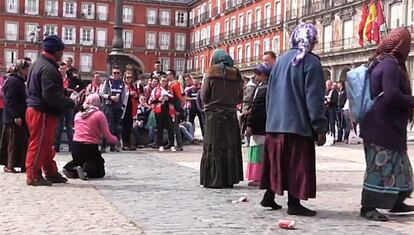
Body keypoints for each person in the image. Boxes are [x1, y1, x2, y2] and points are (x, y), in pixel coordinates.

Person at [260, 23, 327, 215]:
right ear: (312, 40)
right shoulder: (311, 62)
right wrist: (319, 127)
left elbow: (269, 94)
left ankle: (269, 196)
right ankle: (294, 204)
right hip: (297, 126)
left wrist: (270, 119)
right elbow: (314, 99)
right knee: (296, 165)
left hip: (275, 124)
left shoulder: (280, 61)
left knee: (277, 162)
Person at [359, 28, 414, 221]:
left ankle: (397, 200)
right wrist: (411, 100)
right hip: (381, 127)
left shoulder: (381, 61)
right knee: (379, 167)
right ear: (401, 45)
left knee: (400, 166)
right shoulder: (390, 64)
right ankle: (368, 207)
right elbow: (391, 95)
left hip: (387, 126)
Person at [25, 35, 75, 186]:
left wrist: (63, 92)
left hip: (36, 108)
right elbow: (50, 96)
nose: (62, 54)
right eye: (61, 50)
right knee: (39, 143)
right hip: (43, 111)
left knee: (46, 143)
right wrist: (68, 102)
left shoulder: (38, 64)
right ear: (56, 51)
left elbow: (44, 90)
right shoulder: (49, 68)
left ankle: (51, 171)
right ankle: (33, 175)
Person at [200, 49, 244, 188]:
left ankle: (214, 178)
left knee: (214, 147)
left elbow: (204, 96)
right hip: (230, 116)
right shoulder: (236, 76)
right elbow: (240, 98)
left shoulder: (211, 74)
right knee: (229, 147)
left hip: (214, 116)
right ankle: (228, 178)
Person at [63, 94, 118, 180]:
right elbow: (107, 135)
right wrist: (115, 140)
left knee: (78, 161)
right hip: (90, 147)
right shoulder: (99, 114)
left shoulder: (78, 114)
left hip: (76, 147)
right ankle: (86, 172)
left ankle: (71, 168)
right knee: (99, 169)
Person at [0, 59, 30, 173]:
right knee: (12, 142)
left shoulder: (19, 80)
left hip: (19, 116)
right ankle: (9, 165)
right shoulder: (13, 81)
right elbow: (10, 100)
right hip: (13, 118)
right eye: (26, 69)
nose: (27, 71)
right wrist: (16, 116)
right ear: (21, 69)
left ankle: (21, 164)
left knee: (20, 142)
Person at [245, 63, 272, 187]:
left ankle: (258, 176)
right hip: (267, 124)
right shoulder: (269, 86)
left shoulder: (261, 89)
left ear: (262, 75)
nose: (255, 77)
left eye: (257, 74)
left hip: (259, 126)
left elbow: (257, 108)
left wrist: (250, 124)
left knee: (257, 151)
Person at [100, 65, 126, 152]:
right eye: (114, 73)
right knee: (109, 126)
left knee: (116, 127)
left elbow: (124, 96)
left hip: (118, 107)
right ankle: (103, 145)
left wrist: (123, 107)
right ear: (112, 73)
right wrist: (110, 97)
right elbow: (102, 93)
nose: (116, 74)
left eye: (118, 73)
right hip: (109, 106)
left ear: (120, 74)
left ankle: (112, 146)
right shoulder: (107, 82)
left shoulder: (122, 83)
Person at [54, 62, 76, 152]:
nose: (62, 70)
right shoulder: (56, 79)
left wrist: (74, 92)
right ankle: (57, 146)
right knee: (58, 126)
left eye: (63, 68)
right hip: (59, 104)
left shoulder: (71, 79)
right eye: (60, 69)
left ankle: (71, 146)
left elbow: (80, 86)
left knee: (69, 125)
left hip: (68, 103)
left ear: (66, 69)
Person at [149, 76, 175, 152]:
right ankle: (160, 145)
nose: (164, 82)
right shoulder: (155, 90)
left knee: (170, 127)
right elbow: (151, 100)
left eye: (165, 81)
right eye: (163, 81)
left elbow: (173, 99)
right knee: (160, 127)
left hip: (168, 109)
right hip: (159, 109)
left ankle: (172, 145)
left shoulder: (170, 89)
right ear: (160, 81)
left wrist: (168, 98)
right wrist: (159, 99)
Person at [121, 70, 139, 150]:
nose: (129, 79)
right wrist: (129, 93)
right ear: (124, 78)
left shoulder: (133, 87)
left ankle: (128, 143)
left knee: (129, 126)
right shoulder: (122, 86)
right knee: (123, 127)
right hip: (123, 108)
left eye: (130, 77)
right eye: (127, 77)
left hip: (131, 108)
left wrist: (135, 95)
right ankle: (124, 143)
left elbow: (138, 97)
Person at [167, 69, 184, 151]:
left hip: (175, 108)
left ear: (171, 75)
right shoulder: (173, 84)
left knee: (175, 127)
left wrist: (178, 109)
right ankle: (171, 143)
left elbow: (179, 97)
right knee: (172, 126)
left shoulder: (175, 85)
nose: (167, 77)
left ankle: (179, 144)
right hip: (172, 107)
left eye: (168, 75)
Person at [241, 76, 256, 147]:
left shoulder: (250, 87)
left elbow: (248, 97)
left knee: (246, 123)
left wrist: (241, 98)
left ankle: (247, 140)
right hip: (246, 107)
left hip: (247, 107)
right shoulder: (248, 87)